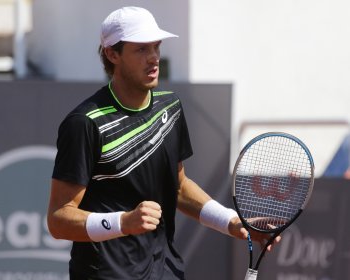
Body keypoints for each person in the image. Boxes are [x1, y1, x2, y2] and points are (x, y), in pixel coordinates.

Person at [47, 6, 280, 280]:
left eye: (156, 47)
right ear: (112, 54)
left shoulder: (169, 107)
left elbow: (178, 187)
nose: (154, 58)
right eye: (141, 49)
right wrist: (123, 222)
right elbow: (59, 219)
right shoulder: (85, 123)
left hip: (165, 270)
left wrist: (230, 221)